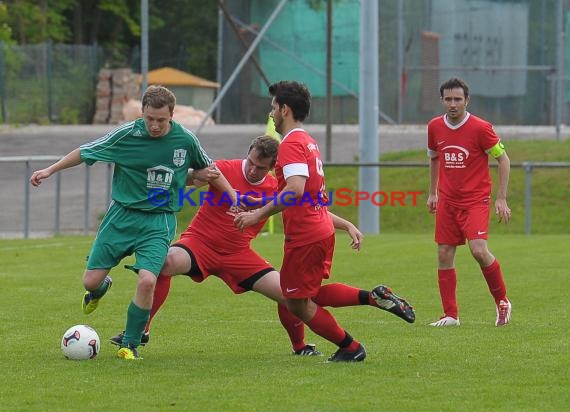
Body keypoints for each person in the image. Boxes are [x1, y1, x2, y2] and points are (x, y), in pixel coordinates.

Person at [109, 135, 416, 355]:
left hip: (239, 256)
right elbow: (192, 178)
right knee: (162, 263)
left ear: (272, 167)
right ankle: (142, 330)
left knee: (293, 295)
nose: (253, 170)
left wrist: (347, 224)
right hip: (198, 245)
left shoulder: (277, 187)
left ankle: (305, 344)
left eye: (261, 167)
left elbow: (312, 207)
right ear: (248, 152)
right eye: (252, 162)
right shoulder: (224, 168)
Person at [30, 85, 235, 360]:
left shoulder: (185, 140)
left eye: (161, 120)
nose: (154, 125)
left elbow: (211, 171)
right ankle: (101, 288)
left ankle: (130, 343)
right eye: (149, 118)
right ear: (143, 113)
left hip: (158, 222)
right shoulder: (127, 134)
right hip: (121, 217)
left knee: (148, 281)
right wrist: (50, 170)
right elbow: (85, 151)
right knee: (90, 282)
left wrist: (234, 196)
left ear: (172, 116)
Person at [234, 80, 415, 362]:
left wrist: (257, 215)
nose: (271, 114)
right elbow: (307, 197)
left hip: (305, 237)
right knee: (310, 294)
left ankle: (350, 347)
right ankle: (373, 297)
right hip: (319, 230)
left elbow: (293, 191)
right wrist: (257, 204)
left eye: (273, 108)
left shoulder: (292, 144)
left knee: (295, 303)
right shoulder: (308, 142)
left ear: (285, 109)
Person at [426, 77, 512, 327]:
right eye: (448, 99)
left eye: (458, 99)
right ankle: (451, 315)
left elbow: (503, 160)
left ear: (467, 101)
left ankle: (502, 302)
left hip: (475, 200)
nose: (453, 104)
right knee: (444, 253)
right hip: (448, 201)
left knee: (478, 250)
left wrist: (501, 198)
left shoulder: (481, 128)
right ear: (442, 100)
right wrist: (433, 193)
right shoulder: (434, 127)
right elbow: (434, 159)